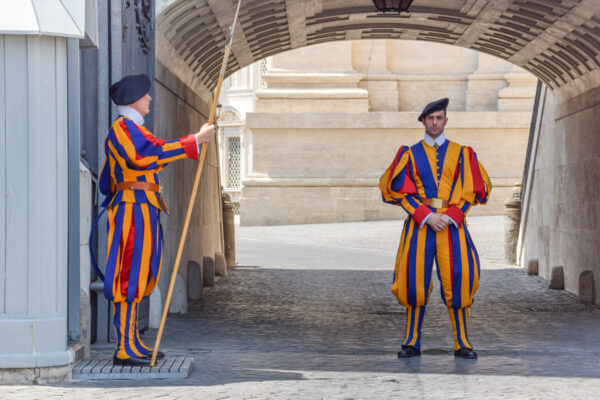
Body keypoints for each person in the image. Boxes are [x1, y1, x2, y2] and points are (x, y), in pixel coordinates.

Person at [96, 74, 215, 366]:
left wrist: (193, 143)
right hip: (131, 209)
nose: (150, 99)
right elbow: (145, 156)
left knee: (142, 275)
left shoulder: (135, 128)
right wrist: (194, 141)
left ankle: (133, 341)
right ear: (133, 99)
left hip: (144, 207)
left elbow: (155, 148)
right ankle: (123, 347)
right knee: (130, 276)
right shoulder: (122, 129)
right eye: (145, 95)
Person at [379, 98, 491, 359]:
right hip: (420, 226)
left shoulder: (463, 154)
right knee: (414, 281)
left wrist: (451, 216)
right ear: (423, 122)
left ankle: (462, 342)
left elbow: (473, 192)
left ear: (446, 121)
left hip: (452, 227)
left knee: (460, 278)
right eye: (430, 119)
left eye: (439, 118)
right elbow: (396, 190)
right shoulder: (409, 154)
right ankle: (411, 341)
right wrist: (426, 215)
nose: (435, 122)